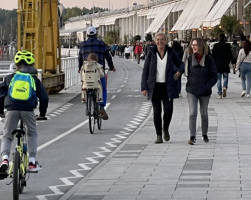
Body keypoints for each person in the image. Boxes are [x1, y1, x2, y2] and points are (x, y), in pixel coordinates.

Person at [0, 50, 49, 172]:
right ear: (32, 64)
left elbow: (0, 95)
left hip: (11, 109)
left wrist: (1, 111)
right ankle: (32, 162)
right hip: (28, 110)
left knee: (7, 135)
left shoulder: (10, 78)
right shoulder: (34, 79)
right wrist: (42, 114)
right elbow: (44, 97)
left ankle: (4, 159)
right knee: (31, 133)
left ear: (16, 65)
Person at [141, 33, 184, 144]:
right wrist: (144, 87)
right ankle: (159, 134)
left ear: (166, 41)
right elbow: (145, 70)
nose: (160, 42)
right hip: (155, 86)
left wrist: (179, 71)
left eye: (162, 40)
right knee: (157, 111)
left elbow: (181, 63)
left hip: (168, 86)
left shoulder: (170, 52)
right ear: (155, 41)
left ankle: (165, 128)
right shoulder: (151, 53)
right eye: (158, 40)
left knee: (168, 110)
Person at [78, 26, 116, 120]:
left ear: (87, 35)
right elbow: (108, 57)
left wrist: (79, 68)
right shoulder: (101, 44)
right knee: (103, 88)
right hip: (98, 72)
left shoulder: (82, 45)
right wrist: (111, 67)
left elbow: (80, 58)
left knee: (85, 86)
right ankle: (102, 107)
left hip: (86, 72)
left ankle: (87, 107)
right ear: (96, 34)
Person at [186, 38, 217, 145]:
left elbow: (214, 76)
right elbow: (188, 74)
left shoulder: (209, 59)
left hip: (205, 91)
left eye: (195, 45)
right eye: (192, 45)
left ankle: (204, 134)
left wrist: (207, 86)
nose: (193, 47)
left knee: (204, 114)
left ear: (201, 46)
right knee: (192, 113)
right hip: (192, 90)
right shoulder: (190, 59)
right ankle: (192, 136)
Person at [212, 33, 232, 99]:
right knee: (225, 77)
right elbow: (230, 55)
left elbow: (213, 56)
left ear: (219, 38)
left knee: (219, 79)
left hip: (218, 64)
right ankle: (225, 87)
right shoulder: (227, 46)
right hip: (225, 64)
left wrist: (214, 63)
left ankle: (219, 93)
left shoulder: (215, 46)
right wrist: (229, 61)